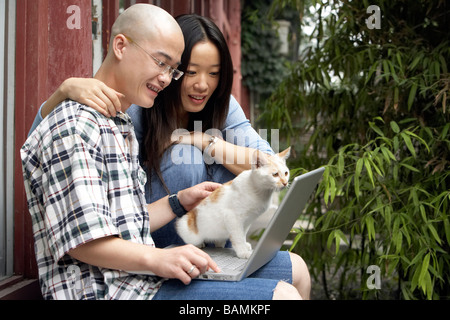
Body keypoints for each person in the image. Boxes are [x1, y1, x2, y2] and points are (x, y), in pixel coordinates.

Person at [22, 4, 309, 300]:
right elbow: (44, 154)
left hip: (147, 267)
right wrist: (60, 94)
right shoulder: (118, 112)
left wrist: (184, 189)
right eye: (170, 66)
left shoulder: (121, 123)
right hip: (125, 279)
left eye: (172, 69)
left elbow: (266, 162)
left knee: (297, 269)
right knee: (282, 295)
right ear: (121, 46)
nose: (201, 83)